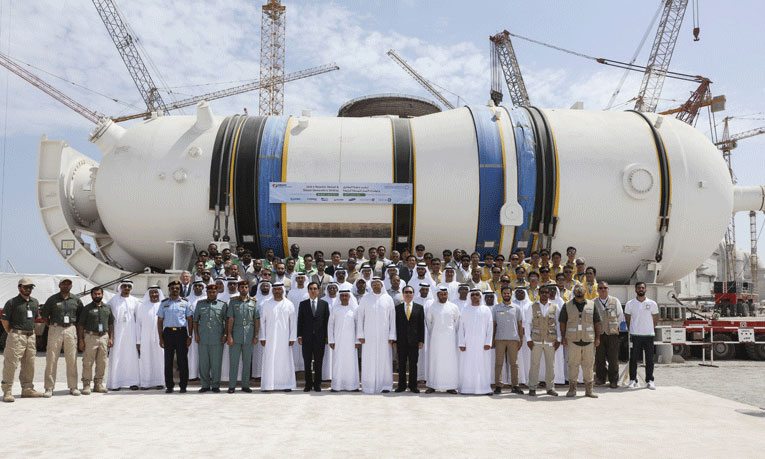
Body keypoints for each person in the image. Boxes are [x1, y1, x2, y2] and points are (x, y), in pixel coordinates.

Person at [2, 277, 44, 402]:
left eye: (30, 287)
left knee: (29, 364)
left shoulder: (34, 302)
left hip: (30, 336)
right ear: (19, 287)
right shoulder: (12, 302)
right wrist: (12, 333)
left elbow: (35, 318)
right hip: (16, 336)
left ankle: (27, 389)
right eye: (25, 287)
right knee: (11, 363)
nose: (28, 289)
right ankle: (7, 391)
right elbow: (4, 320)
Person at [41, 278, 83, 397]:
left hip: (70, 329)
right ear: (59, 285)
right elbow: (44, 315)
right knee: (51, 358)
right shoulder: (52, 299)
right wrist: (51, 326)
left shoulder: (76, 300)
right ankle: (49, 387)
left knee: (72, 359)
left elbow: (81, 317)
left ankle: (73, 387)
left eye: (68, 284)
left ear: (71, 286)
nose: (66, 286)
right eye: (63, 284)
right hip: (55, 328)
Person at [559, 284, 601, 398]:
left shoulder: (592, 305)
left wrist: (597, 338)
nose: (579, 293)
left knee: (589, 366)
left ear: (585, 292)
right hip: (573, 340)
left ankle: (589, 390)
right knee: (573, 365)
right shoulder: (567, 305)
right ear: (574, 293)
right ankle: (572, 389)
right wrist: (563, 337)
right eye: (577, 292)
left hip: (588, 340)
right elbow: (562, 322)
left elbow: (597, 322)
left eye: (581, 291)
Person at [356, 277, 396, 394]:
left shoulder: (388, 299)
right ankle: (369, 386)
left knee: (385, 360)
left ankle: (385, 386)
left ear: (382, 285)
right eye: (373, 284)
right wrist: (360, 334)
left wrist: (392, 336)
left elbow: (392, 318)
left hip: (385, 336)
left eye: (378, 284)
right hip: (368, 336)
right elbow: (360, 317)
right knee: (369, 359)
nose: (376, 286)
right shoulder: (365, 298)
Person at [157, 280, 194, 393]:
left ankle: (183, 386)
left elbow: (190, 319)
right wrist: (161, 338)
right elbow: (160, 320)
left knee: (182, 361)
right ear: (169, 289)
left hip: (181, 333)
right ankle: (169, 386)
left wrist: (190, 336)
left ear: (180, 290)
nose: (175, 290)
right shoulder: (164, 303)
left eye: (177, 288)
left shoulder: (185, 303)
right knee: (168, 361)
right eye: (172, 288)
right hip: (168, 333)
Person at [259, 283, 297, 392]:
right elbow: (262, 322)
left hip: (285, 338)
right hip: (270, 338)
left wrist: (292, 337)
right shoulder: (266, 304)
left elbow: (293, 322)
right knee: (270, 359)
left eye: (279, 289)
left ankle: (286, 384)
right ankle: (268, 385)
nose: (277, 291)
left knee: (285, 360)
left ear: (283, 290)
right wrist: (262, 337)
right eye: (275, 289)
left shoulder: (289, 304)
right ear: (272, 291)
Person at [524, 286, 560, 397]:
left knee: (550, 365)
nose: (544, 294)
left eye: (546, 292)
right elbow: (527, 323)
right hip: (536, 341)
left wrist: (559, 339)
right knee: (534, 365)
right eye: (542, 292)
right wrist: (528, 339)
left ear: (549, 294)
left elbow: (558, 324)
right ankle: (532, 387)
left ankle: (550, 388)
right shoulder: (532, 307)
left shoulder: (555, 307)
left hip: (550, 341)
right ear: (539, 293)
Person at [76, 287, 113, 395]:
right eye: (95, 294)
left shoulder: (107, 308)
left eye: (99, 294)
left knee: (102, 362)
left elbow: (111, 323)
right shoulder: (87, 308)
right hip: (90, 337)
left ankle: (98, 384)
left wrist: (111, 338)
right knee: (88, 362)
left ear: (102, 294)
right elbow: (81, 325)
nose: (97, 296)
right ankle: (86, 384)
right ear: (91, 295)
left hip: (104, 337)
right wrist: (81, 340)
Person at [425, 286, 460, 394]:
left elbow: (457, 323)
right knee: (435, 361)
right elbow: (429, 323)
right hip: (436, 339)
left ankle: (450, 386)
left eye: (445, 294)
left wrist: (450, 333)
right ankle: (432, 385)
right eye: (441, 294)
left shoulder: (453, 307)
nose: (443, 296)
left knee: (449, 361)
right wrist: (435, 333)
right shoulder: (432, 307)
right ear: (437, 295)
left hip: (450, 340)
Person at [458, 289, 494, 395]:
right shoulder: (465, 310)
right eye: (472, 294)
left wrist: (488, 342)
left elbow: (490, 327)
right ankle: (467, 388)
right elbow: (461, 328)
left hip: (482, 344)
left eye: (477, 294)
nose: (474, 296)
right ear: (469, 296)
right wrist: (461, 343)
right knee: (468, 365)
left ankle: (484, 388)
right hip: (468, 343)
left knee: (483, 365)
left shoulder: (486, 310)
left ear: (480, 296)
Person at [107, 280, 141, 391]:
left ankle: (133, 382)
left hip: (131, 333)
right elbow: (108, 318)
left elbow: (138, 320)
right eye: (124, 286)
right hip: (117, 333)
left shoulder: (135, 301)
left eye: (129, 286)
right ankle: (116, 383)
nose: (126, 288)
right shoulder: (113, 301)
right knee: (117, 356)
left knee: (132, 357)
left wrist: (138, 339)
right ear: (120, 287)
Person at [194, 283, 227, 393]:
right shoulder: (200, 304)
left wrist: (225, 334)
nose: (212, 294)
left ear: (217, 293)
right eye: (209, 292)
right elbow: (195, 320)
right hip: (203, 338)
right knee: (204, 363)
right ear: (206, 293)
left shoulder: (222, 305)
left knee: (216, 363)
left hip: (217, 338)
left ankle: (215, 385)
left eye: (214, 292)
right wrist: (196, 334)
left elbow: (227, 321)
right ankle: (205, 385)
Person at [226, 280, 259, 393]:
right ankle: (232, 386)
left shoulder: (253, 302)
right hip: (236, 335)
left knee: (247, 362)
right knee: (234, 362)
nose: (244, 289)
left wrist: (256, 335)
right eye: (242, 287)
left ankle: (245, 385)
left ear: (248, 289)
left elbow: (256, 319)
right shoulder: (233, 302)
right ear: (238, 289)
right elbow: (230, 319)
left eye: (246, 287)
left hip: (249, 335)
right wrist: (229, 335)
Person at [625, 282, 659, 390]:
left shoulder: (652, 303)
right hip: (636, 335)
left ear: (646, 289)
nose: (641, 289)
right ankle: (632, 380)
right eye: (639, 288)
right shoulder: (630, 303)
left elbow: (655, 318)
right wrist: (632, 329)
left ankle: (650, 380)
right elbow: (627, 318)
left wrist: (650, 328)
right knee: (633, 359)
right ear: (635, 289)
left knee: (649, 359)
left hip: (649, 335)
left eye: (643, 288)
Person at [297, 282, 330, 392]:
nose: (313, 290)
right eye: (311, 288)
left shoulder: (324, 304)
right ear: (308, 290)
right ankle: (308, 384)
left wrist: (327, 336)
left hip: (320, 338)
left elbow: (326, 322)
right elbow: (300, 320)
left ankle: (317, 384)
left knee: (318, 362)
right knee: (307, 362)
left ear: (318, 291)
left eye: (315, 288)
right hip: (306, 338)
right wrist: (299, 335)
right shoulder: (303, 304)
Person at [492, 287, 524, 395]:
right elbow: (494, 325)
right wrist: (492, 339)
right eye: (504, 293)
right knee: (499, 363)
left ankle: (515, 385)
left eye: (508, 293)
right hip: (499, 339)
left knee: (514, 364)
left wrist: (521, 339)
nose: (506, 295)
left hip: (513, 339)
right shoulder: (496, 308)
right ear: (501, 294)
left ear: (511, 294)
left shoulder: (516, 308)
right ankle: (498, 385)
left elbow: (520, 325)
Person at [328, 289, 361, 392]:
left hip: (351, 342)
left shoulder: (354, 309)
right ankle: (337, 386)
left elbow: (358, 325)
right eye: (342, 296)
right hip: (338, 341)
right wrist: (331, 340)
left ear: (349, 297)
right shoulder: (335, 309)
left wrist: (357, 341)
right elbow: (330, 325)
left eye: (346, 296)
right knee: (338, 362)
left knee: (351, 363)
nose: (344, 298)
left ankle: (352, 386)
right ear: (339, 297)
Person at [394, 286, 424, 393]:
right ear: (403, 294)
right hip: (401, 341)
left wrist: (421, 340)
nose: (408, 294)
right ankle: (401, 386)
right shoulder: (397, 308)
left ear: (413, 294)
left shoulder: (419, 308)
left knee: (413, 364)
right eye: (406, 292)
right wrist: (394, 340)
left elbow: (421, 326)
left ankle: (413, 386)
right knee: (401, 364)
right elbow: (395, 325)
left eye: (410, 292)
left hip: (414, 342)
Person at [136, 285, 165, 390]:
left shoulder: (163, 305)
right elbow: (138, 324)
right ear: (148, 294)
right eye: (152, 292)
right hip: (145, 338)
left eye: (156, 292)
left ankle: (160, 382)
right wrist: (138, 341)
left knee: (160, 359)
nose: (154, 294)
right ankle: (145, 383)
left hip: (160, 338)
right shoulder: (142, 306)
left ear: (159, 293)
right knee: (146, 359)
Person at [186, 281, 206, 380]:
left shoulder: (207, 298)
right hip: (191, 329)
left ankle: (204, 374)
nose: (198, 287)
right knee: (192, 352)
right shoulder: (187, 299)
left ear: (203, 287)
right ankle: (193, 374)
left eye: (200, 286)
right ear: (193, 288)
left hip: (204, 329)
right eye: (196, 286)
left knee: (204, 352)